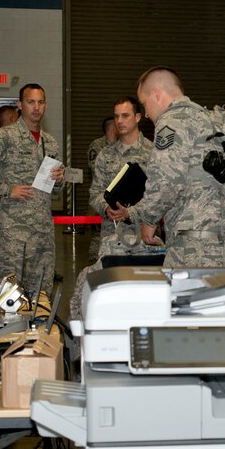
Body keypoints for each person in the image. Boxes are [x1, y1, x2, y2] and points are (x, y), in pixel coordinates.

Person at [124, 66, 225, 268]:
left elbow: (166, 181)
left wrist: (149, 221)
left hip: (196, 248)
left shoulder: (172, 122)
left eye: (144, 104)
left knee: (185, 300)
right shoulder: (214, 120)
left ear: (156, 94)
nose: (146, 113)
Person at [0, 83, 64, 292]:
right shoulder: (6, 136)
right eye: (30, 102)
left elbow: (55, 191)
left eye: (40, 102)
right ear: (20, 105)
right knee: (10, 293)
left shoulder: (50, 142)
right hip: (14, 230)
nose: (36, 107)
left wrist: (59, 180)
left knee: (41, 293)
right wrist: (4, 188)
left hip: (43, 231)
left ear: (45, 106)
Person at [70, 96, 158, 322]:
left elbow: (161, 195)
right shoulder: (105, 155)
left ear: (138, 117)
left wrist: (132, 212)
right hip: (112, 237)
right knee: (111, 298)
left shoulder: (155, 153)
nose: (119, 121)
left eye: (125, 115)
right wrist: (106, 209)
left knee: (146, 299)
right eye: (116, 116)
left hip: (144, 237)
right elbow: (94, 193)